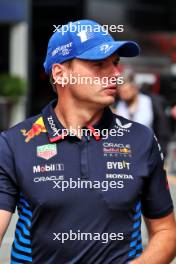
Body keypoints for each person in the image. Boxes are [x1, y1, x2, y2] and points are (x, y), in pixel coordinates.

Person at [0, 19, 176, 264]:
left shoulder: (141, 139)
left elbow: (166, 232)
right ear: (61, 74)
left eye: (115, 64)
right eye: (99, 64)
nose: (115, 75)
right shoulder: (14, 143)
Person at [116, 75, 171, 156]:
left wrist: (161, 154)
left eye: (126, 92)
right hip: (125, 154)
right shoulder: (117, 105)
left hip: (148, 153)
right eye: (120, 93)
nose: (123, 96)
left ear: (135, 88)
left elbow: (163, 130)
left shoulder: (151, 103)